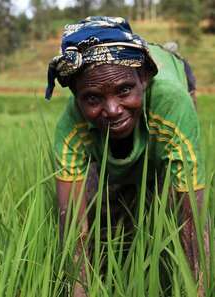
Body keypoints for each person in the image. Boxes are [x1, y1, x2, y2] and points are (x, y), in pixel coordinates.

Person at [46, 17, 208, 296]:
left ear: (143, 79)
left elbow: (193, 219)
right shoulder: (71, 127)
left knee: (167, 192)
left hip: (175, 76)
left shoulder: (172, 105)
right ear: (75, 94)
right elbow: (73, 230)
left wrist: (197, 289)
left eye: (124, 90)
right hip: (116, 131)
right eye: (93, 98)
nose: (112, 109)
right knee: (105, 203)